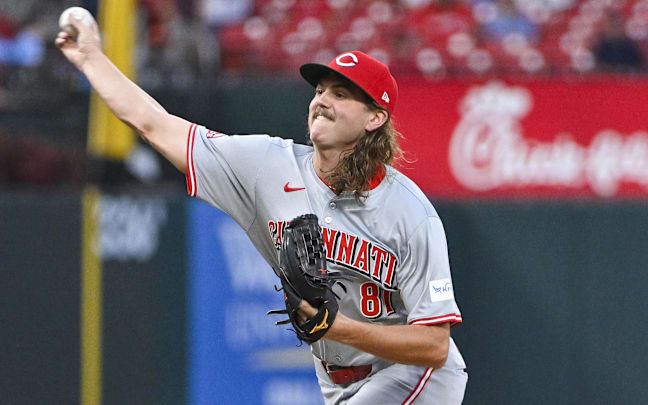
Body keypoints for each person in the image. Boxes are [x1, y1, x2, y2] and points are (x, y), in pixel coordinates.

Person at [56, 11, 467, 405]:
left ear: (375, 118)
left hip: (415, 375)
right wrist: (91, 58)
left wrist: (339, 328)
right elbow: (155, 124)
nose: (322, 100)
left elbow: (434, 345)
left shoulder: (410, 213)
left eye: (341, 94)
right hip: (337, 379)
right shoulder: (267, 166)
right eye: (320, 90)